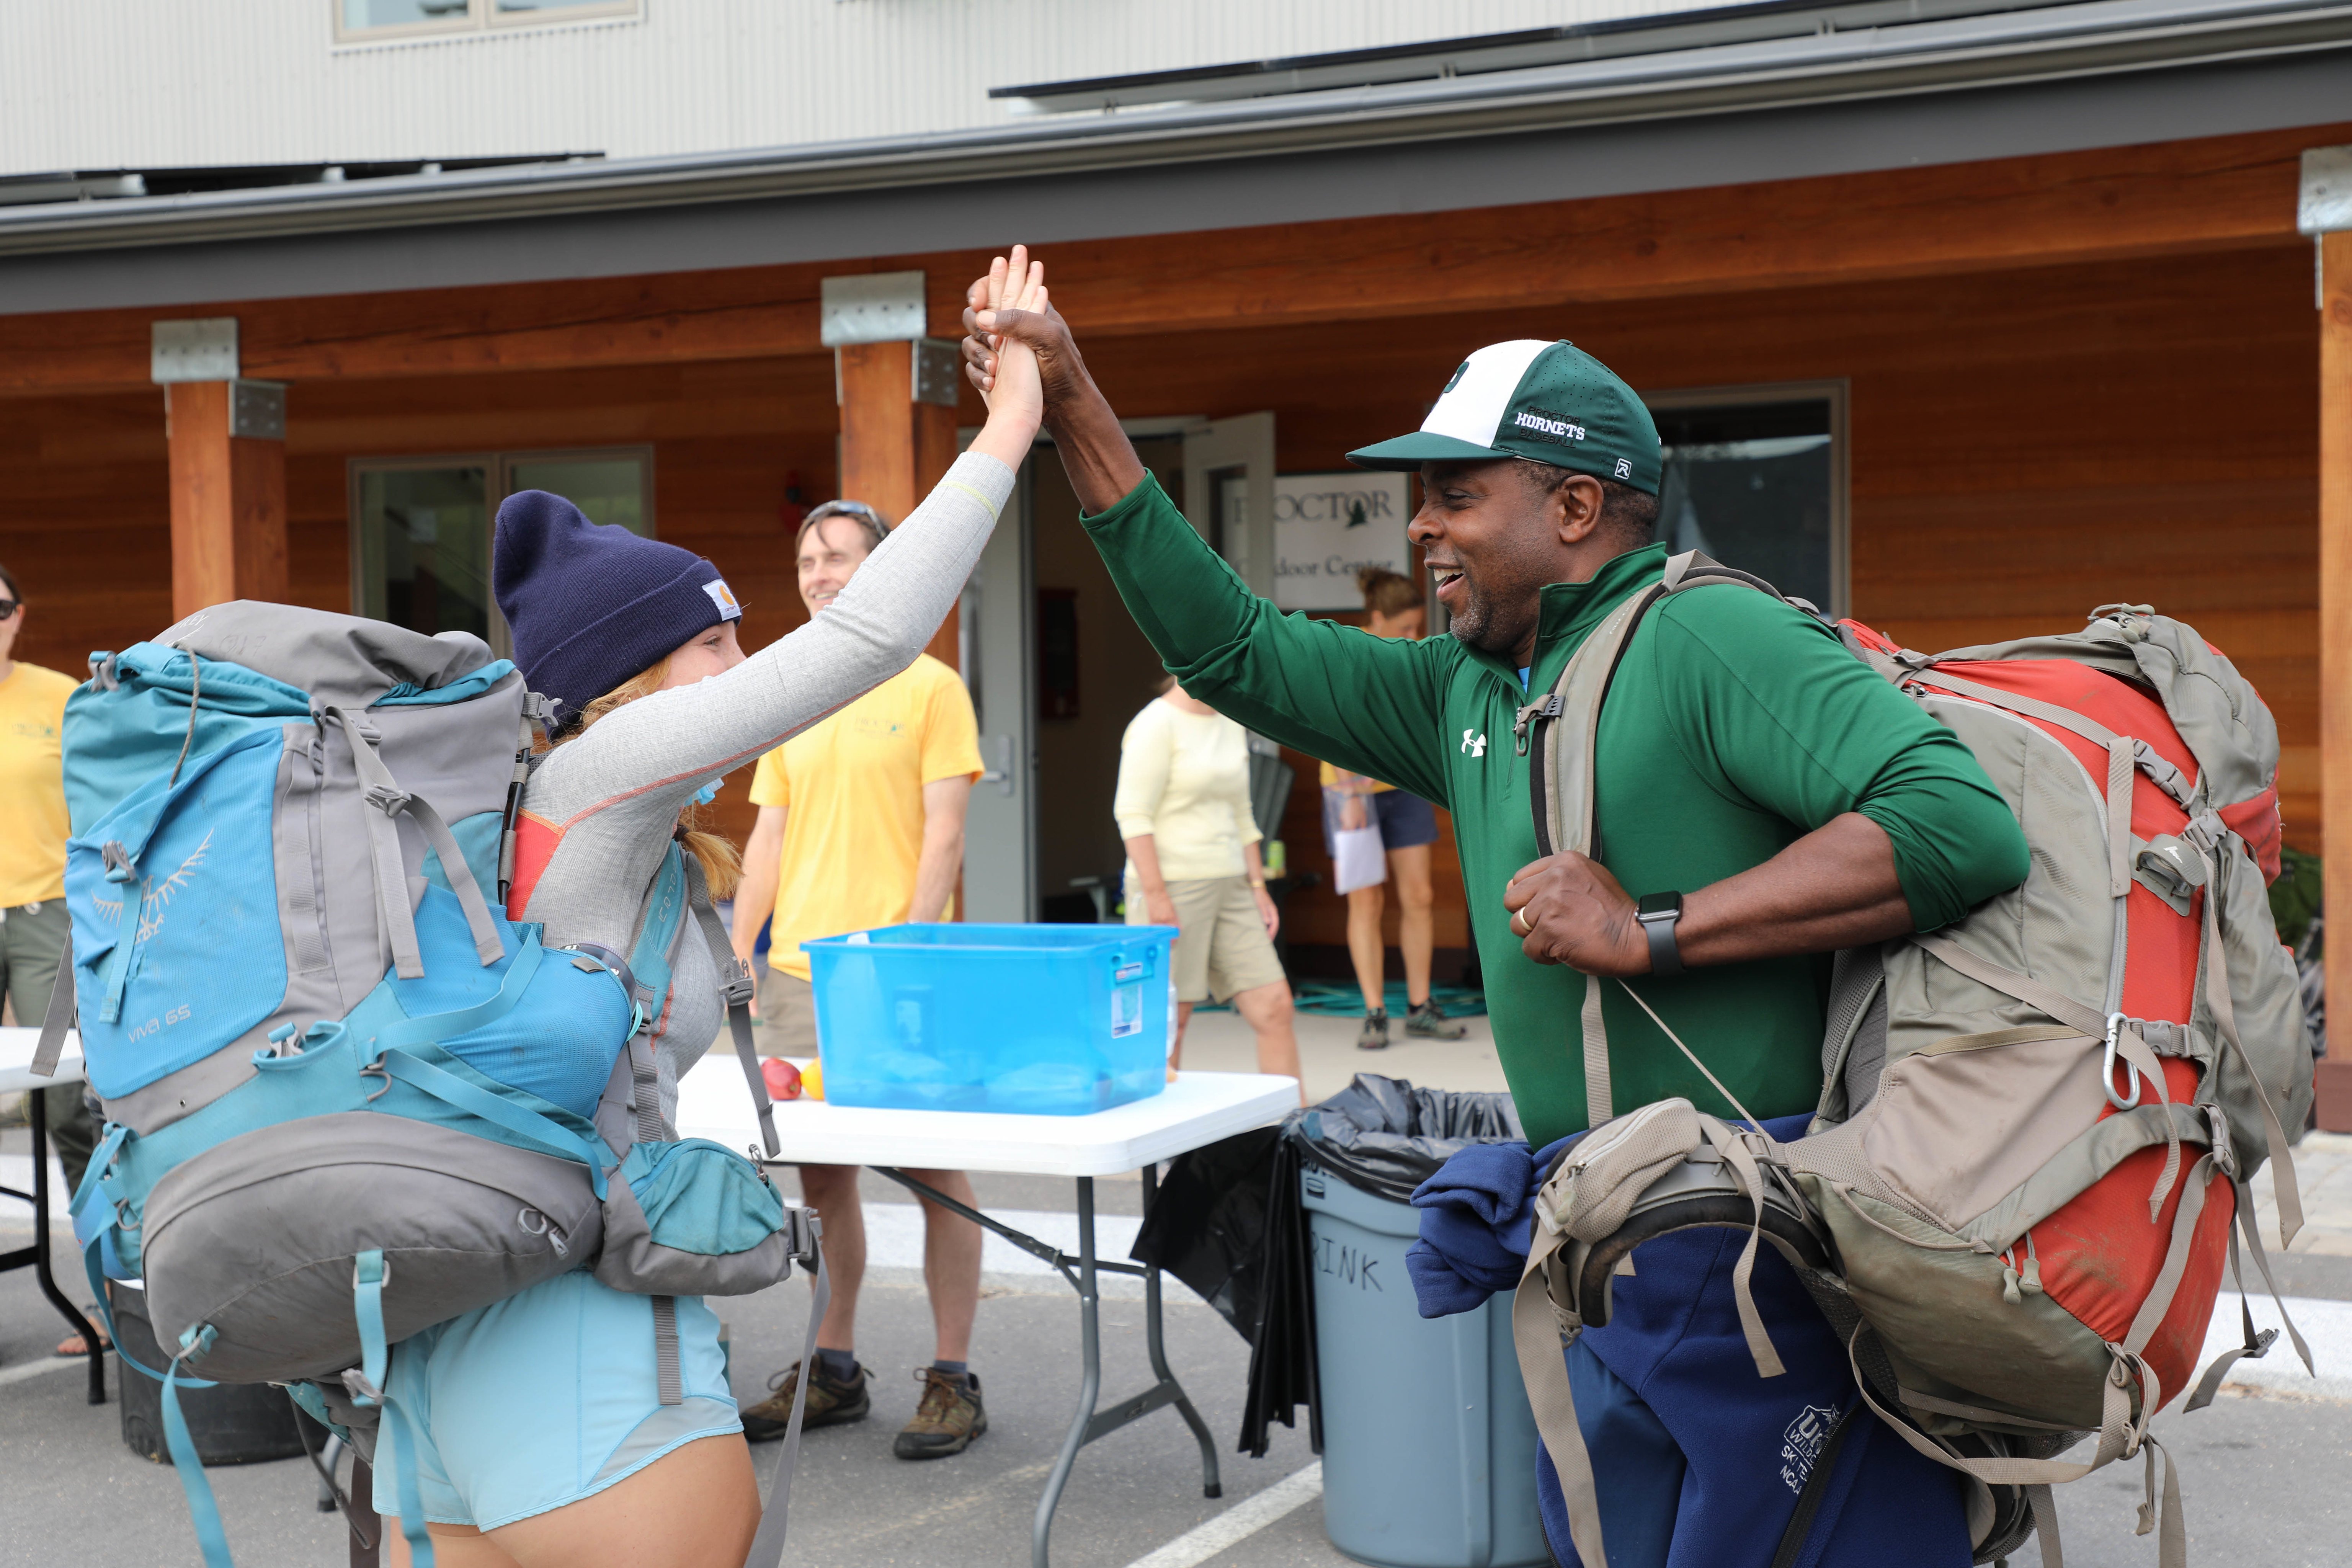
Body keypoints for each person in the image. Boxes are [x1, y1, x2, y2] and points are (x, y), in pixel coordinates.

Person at [962, 275, 2030, 1566]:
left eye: (1458, 494)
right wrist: (1072, 400)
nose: (1423, 526)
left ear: (1575, 506)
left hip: (1760, 1255)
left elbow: (1959, 822)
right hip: (1595, 1240)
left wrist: (1652, 924)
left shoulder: (1712, 635)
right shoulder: (1468, 687)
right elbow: (1234, 652)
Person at [367, 247, 1047, 1568]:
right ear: (626, 680)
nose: (748, 667)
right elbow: (867, 643)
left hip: (445, 1351)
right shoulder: (599, 771)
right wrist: (1012, 417)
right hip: (566, 1339)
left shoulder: (563, 821)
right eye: (717, 644)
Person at [726, 497, 990, 1461]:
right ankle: (832, 1366)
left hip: (897, 977)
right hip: (799, 975)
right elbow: (768, 837)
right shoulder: (791, 688)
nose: (821, 573)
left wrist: (908, 955)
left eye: (839, 557)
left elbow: (945, 837)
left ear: (882, 570)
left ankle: (952, 1375)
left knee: (934, 1176)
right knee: (824, 1180)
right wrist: (736, 952)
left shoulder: (930, 686)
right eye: (806, 560)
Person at [0, 562, 104, 1356]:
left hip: (48, 921)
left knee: (65, 1096)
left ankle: (113, 1297)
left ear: (20, 615)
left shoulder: (61, 696)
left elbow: (107, 800)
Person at [1115, 677, 1302, 1096]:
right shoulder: (1153, 725)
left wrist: (1257, 886)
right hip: (1172, 888)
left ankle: (1294, 1139)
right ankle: (1158, 1148)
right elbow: (1132, 816)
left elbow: (1242, 814)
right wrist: (1157, 897)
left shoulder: (1230, 719)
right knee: (1170, 1024)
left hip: (1232, 885)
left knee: (1275, 1007)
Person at [1321, 566, 1468, 1049]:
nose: (1414, 636)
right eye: (1404, 627)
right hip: (1351, 796)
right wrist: (1351, 796)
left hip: (1402, 786)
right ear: (1377, 618)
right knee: (1367, 901)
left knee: (1420, 896)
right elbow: (1330, 722)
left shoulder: (1410, 656)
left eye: (1417, 627)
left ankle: (1421, 1007)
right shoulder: (1349, 651)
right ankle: (1374, 1010)